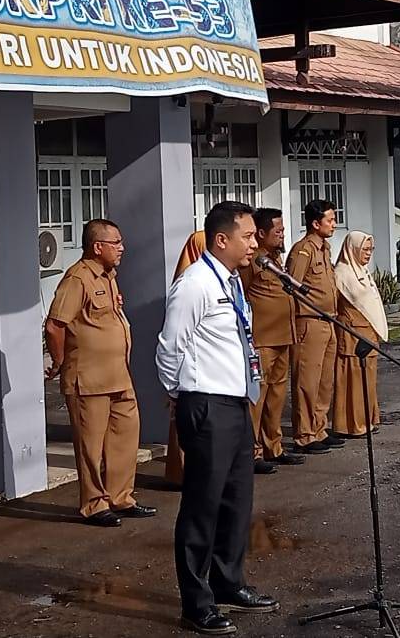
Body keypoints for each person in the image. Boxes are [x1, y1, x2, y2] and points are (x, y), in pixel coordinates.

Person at [157, 202, 280, 635]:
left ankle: (229, 582)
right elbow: (170, 346)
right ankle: (196, 602)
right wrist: (179, 394)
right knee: (202, 507)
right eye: (247, 236)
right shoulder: (194, 284)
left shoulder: (230, 280)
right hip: (206, 404)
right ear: (221, 239)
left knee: (236, 501)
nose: (254, 243)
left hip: (235, 403)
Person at [45, 219, 157, 527]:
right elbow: (55, 325)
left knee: (125, 437)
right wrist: (58, 361)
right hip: (88, 379)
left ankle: (121, 497)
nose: (122, 248)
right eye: (116, 243)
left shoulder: (109, 276)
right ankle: (94, 504)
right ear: (98, 247)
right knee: (90, 447)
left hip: (118, 375)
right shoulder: (77, 278)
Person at [239, 208, 305, 474]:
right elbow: (241, 293)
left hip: (283, 336)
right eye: (277, 231)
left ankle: (273, 446)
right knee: (258, 397)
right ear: (261, 233)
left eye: (283, 231)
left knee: (277, 396)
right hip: (262, 339)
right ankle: (252, 452)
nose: (282, 235)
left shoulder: (275, 259)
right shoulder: (254, 261)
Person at [286, 200, 345, 455]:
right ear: (315, 223)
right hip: (309, 321)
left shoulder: (324, 249)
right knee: (307, 380)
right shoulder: (304, 250)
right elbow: (291, 285)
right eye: (329, 220)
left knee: (324, 381)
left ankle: (319, 428)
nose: (333, 224)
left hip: (328, 320)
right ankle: (305, 433)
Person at [332, 231, 389, 438]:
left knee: (368, 379)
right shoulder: (342, 273)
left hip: (369, 332)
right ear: (353, 249)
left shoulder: (363, 271)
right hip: (352, 333)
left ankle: (369, 419)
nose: (368, 254)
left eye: (370, 250)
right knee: (353, 379)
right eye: (364, 249)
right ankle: (351, 424)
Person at [164, 230, 207, 487]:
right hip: (188, 362)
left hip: (206, 363)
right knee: (183, 419)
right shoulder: (188, 286)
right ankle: (180, 473)